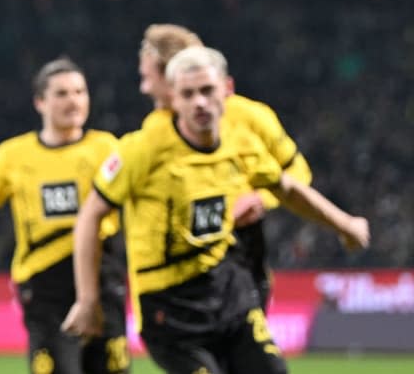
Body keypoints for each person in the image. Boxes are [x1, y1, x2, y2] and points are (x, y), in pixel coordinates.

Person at [62, 46, 369, 374]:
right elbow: (90, 214)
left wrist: (345, 225)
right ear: (174, 100)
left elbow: (289, 188)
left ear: (226, 90)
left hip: (227, 292)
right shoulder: (142, 150)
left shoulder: (243, 145)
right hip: (168, 308)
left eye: (207, 91)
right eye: (188, 94)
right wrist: (87, 300)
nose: (199, 103)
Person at [0, 57, 131, 374]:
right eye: (62, 94)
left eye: (79, 92)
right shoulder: (13, 155)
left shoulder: (106, 148)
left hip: (102, 277)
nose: (73, 100)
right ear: (40, 102)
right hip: (45, 284)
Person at [138, 23, 313, 309]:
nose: (143, 87)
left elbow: (299, 171)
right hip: (185, 266)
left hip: (241, 254)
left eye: (147, 77)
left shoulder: (249, 116)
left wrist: (259, 198)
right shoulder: (154, 132)